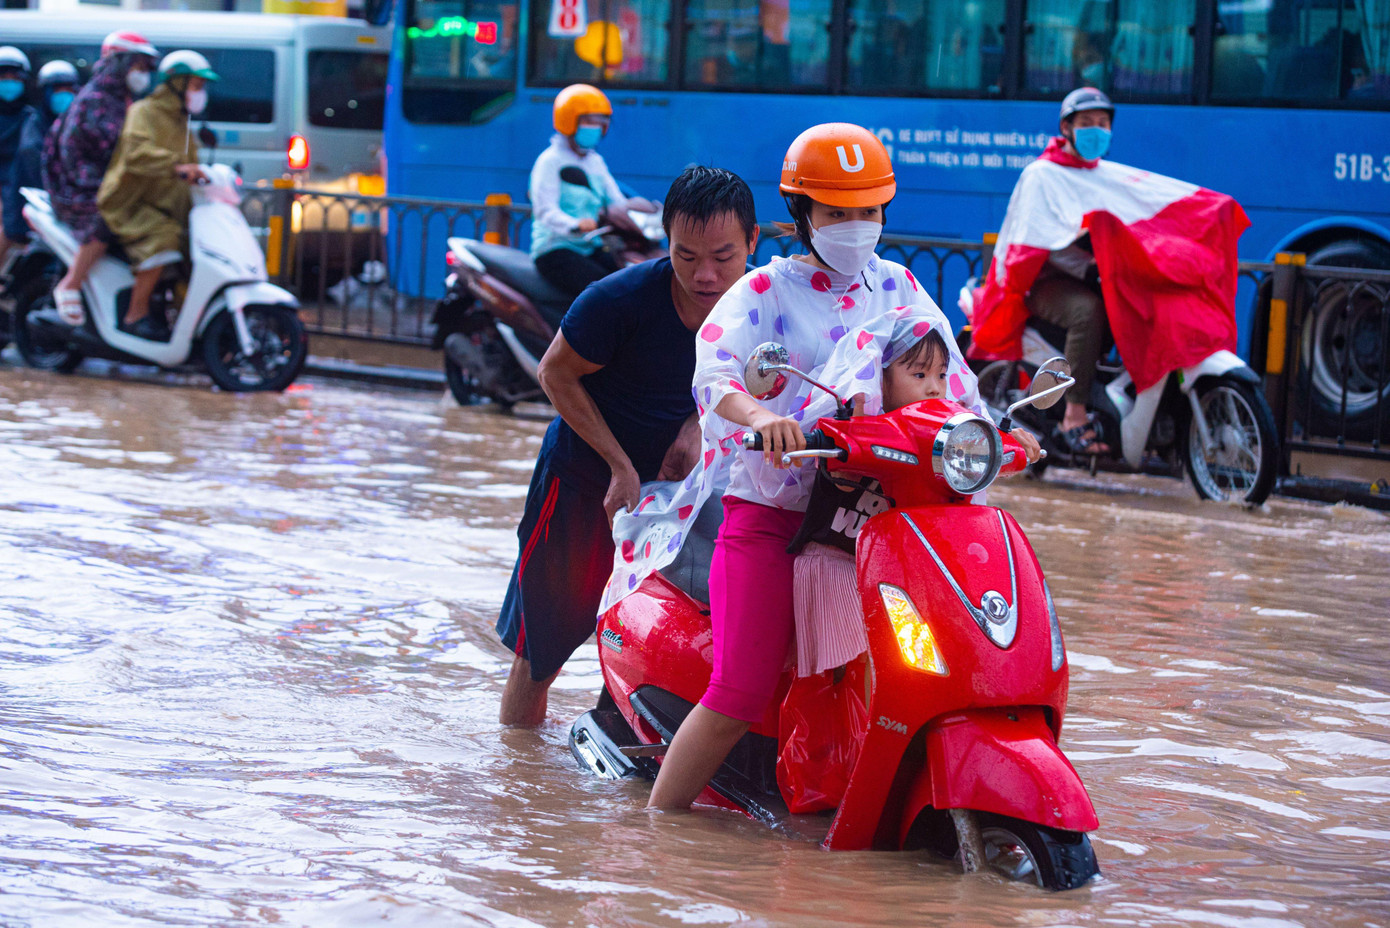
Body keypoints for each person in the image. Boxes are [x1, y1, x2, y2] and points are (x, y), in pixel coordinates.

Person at [595, 123, 987, 810]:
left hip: (873, 521)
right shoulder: (766, 290)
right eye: (836, 212)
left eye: (867, 211)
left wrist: (1000, 432)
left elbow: (947, 375)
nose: (854, 226)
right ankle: (658, 836)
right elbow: (715, 374)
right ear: (802, 213)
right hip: (771, 519)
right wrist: (760, 418)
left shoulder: (897, 287)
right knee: (739, 690)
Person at [497, 165, 759, 727]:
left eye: (723, 256)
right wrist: (618, 465)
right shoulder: (617, 301)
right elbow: (555, 375)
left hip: (680, 491)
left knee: (664, 631)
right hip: (586, 480)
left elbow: (750, 383)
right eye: (687, 257)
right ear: (665, 242)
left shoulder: (760, 307)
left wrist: (693, 424)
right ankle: (518, 774)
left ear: (752, 243)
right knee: (544, 645)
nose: (706, 275)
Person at [790, 328, 1042, 679]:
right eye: (919, 374)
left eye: (941, 374)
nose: (935, 387)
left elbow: (981, 455)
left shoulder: (945, 445)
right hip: (838, 566)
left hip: (902, 577)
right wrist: (851, 431)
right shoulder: (863, 426)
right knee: (845, 675)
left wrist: (1010, 445)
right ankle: (807, 734)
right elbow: (841, 466)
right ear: (881, 378)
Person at [972, 86, 1115, 455]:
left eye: (1103, 123)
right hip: (1044, 281)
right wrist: (1089, 270)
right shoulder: (1043, 175)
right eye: (1087, 123)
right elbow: (1039, 243)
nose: (1096, 129)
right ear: (1067, 128)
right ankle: (1075, 413)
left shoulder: (1106, 176)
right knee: (1088, 312)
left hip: (1094, 276)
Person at [97, 50, 217, 341]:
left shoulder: (182, 121)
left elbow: (192, 166)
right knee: (164, 239)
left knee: (197, 248)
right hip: (130, 205)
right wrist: (176, 166)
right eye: (196, 86)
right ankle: (134, 315)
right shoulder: (144, 112)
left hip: (164, 206)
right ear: (177, 83)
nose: (200, 93)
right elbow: (137, 154)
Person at [43, 31, 159, 325]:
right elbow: (93, 157)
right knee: (108, 216)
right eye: (138, 66)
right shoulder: (94, 100)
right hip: (78, 190)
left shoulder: (124, 101)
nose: (142, 75)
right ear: (120, 64)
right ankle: (70, 283)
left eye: (146, 68)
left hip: (108, 184)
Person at [528, 83, 629, 298]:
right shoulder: (550, 161)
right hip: (555, 249)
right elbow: (544, 210)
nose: (595, 127)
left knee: (629, 281)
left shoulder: (595, 161)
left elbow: (616, 200)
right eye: (588, 121)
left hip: (589, 246)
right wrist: (575, 224)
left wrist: (636, 216)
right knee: (601, 293)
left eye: (600, 122)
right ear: (568, 121)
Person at [5, 60, 80, 255]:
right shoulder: (35, 124)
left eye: (68, 90)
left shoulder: (78, 123)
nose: (64, 96)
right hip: (39, 202)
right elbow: (33, 157)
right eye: (58, 90)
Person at [0, 46, 37, 261]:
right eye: (3, 77)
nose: (9, 82)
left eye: (14, 77)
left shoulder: (30, 117)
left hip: (18, 187)